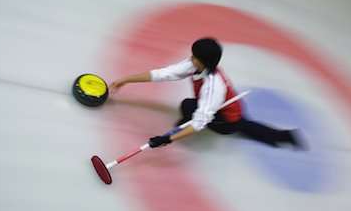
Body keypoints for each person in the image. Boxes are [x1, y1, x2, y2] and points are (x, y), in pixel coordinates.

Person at [109, 37, 306, 150]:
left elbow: (198, 123)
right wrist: (126, 79)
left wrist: (167, 139)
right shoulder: (194, 65)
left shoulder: (213, 86)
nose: (190, 58)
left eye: (194, 57)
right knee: (191, 107)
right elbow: (163, 74)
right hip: (229, 106)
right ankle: (282, 137)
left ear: (204, 62)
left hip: (227, 120)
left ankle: (282, 137)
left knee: (231, 123)